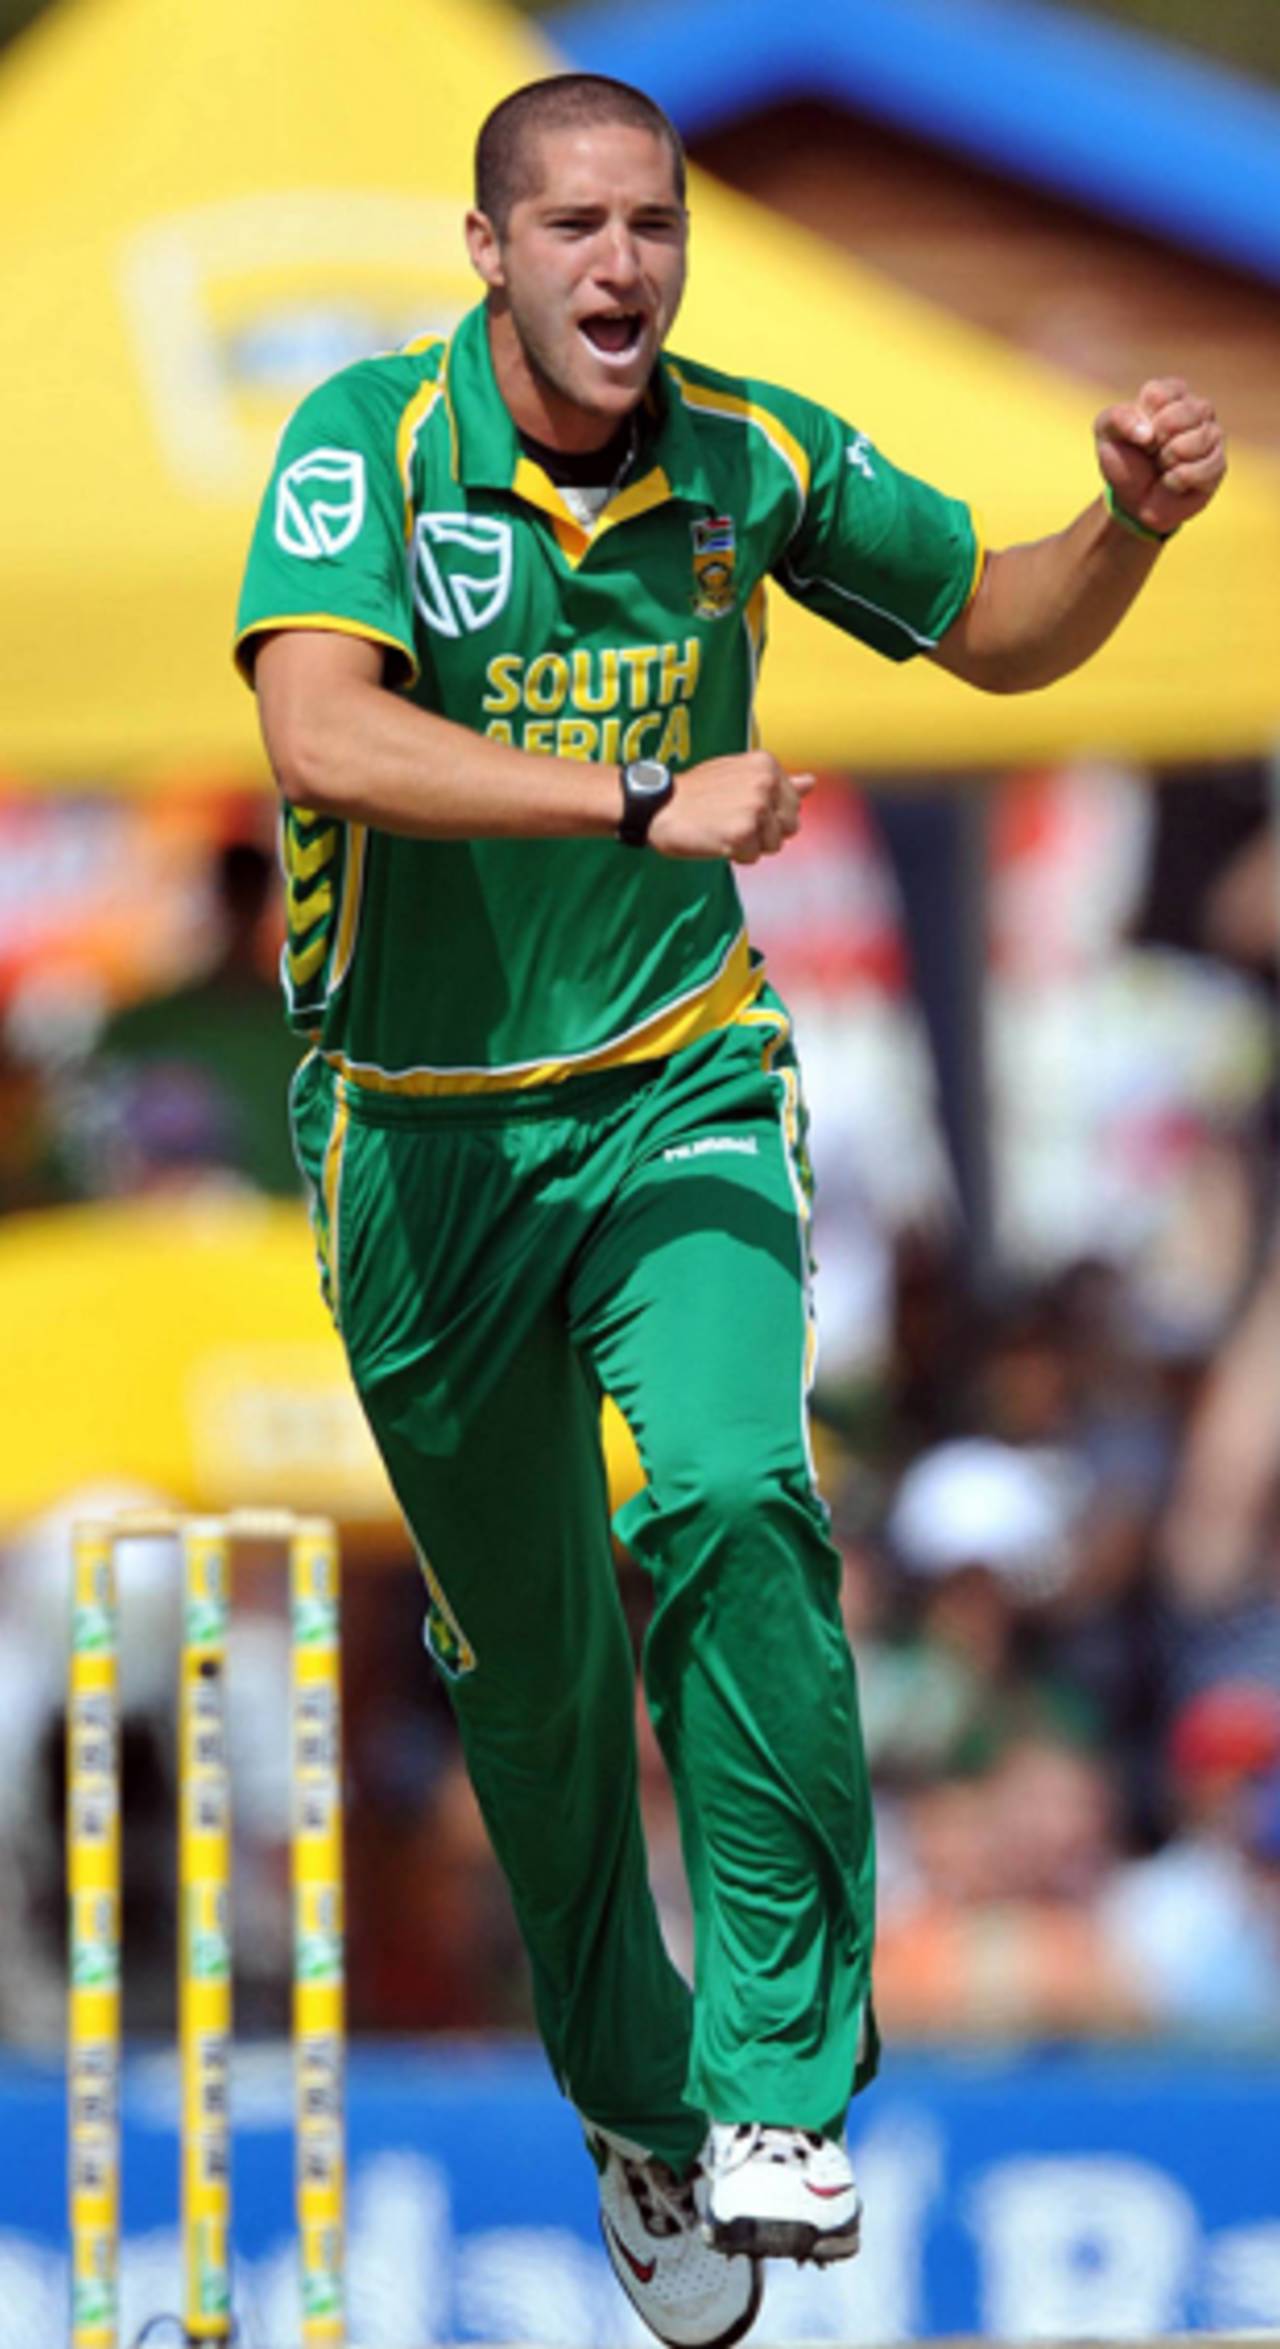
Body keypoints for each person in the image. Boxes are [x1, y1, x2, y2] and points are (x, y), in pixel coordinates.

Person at [234, 71, 1226, 2349]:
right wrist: (635, 793)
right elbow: (320, 734)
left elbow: (988, 624)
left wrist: (1128, 530)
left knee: (735, 1496)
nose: (618, 267)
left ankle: (782, 2073)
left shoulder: (746, 452)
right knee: (541, 1689)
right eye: (569, 226)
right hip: (414, 1134)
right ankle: (641, 2108)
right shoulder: (367, 453)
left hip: (675, 1088)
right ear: (484, 250)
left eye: (651, 225)